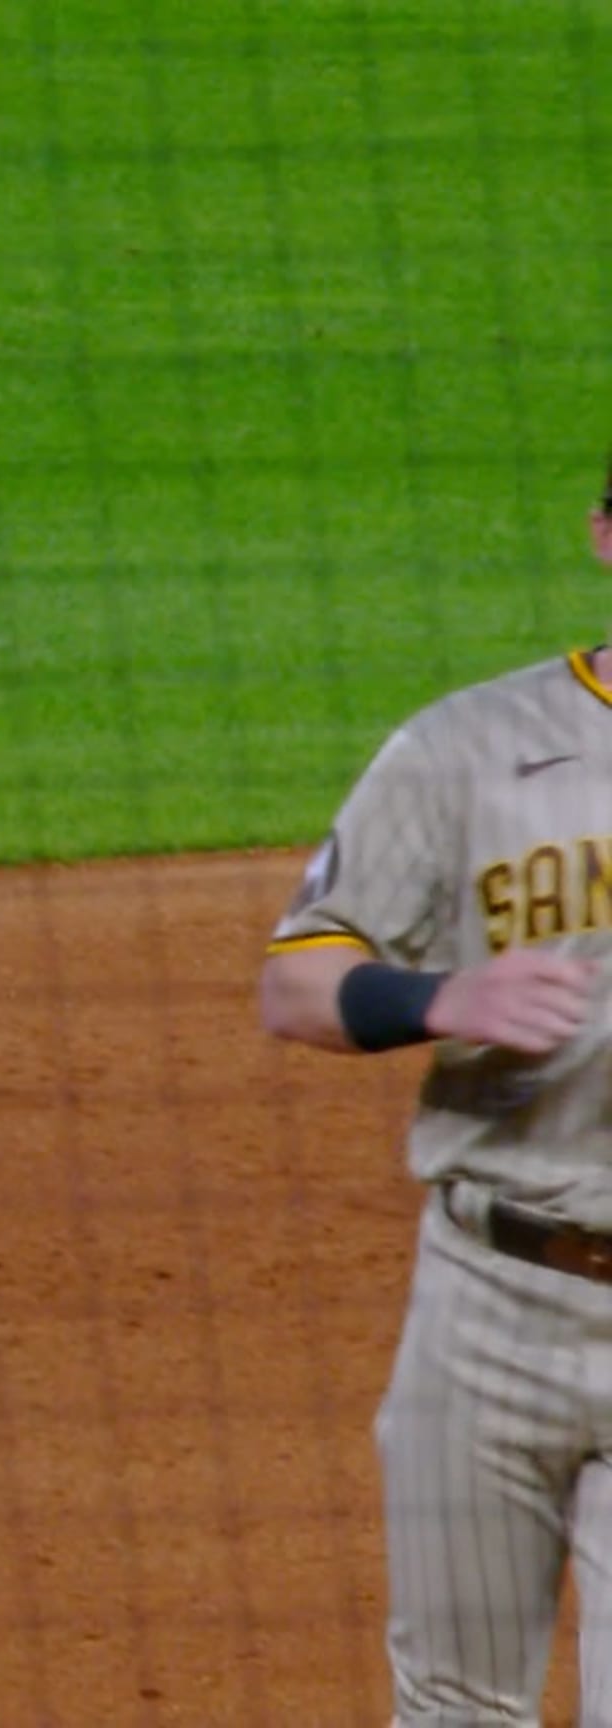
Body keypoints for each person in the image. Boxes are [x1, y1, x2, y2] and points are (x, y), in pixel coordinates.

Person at [258, 462, 612, 1724]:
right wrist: (437, 1000)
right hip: (486, 1302)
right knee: (453, 1707)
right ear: (604, 537)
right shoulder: (467, 748)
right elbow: (297, 981)